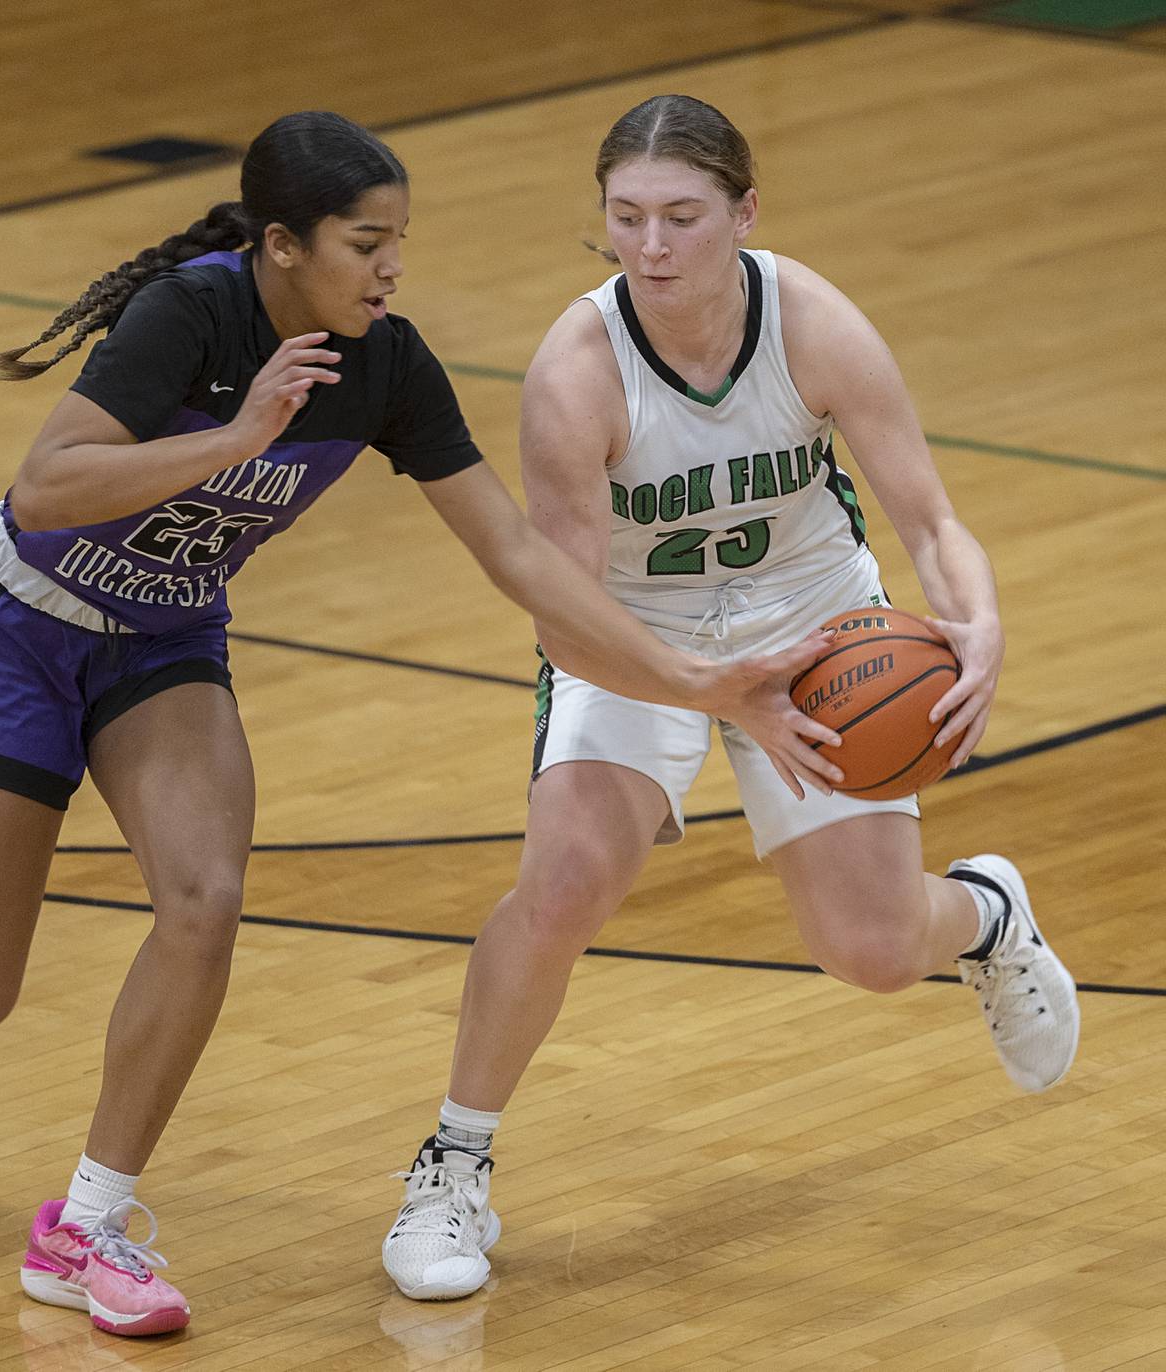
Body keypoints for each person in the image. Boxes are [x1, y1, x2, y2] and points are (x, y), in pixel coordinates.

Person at [0, 110, 843, 1337]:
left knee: (207, 899)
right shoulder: (189, 320)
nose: (393, 266)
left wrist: (697, 678)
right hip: (26, 628)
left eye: (400, 237)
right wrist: (238, 438)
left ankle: (86, 1223)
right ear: (285, 246)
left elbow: (512, 548)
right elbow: (45, 490)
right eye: (368, 242)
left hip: (166, 639)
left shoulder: (386, 366)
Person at [381, 94, 1081, 1303]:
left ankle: (984, 916)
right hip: (629, 635)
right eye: (627, 218)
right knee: (562, 884)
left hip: (810, 619)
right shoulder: (575, 374)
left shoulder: (812, 323)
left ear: (744, 215)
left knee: (867, 952)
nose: (651, 247)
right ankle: (452, 1159)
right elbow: (564, 614)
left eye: (682, 218)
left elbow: (929, 519)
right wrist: (702, 691)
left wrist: (980, 623)